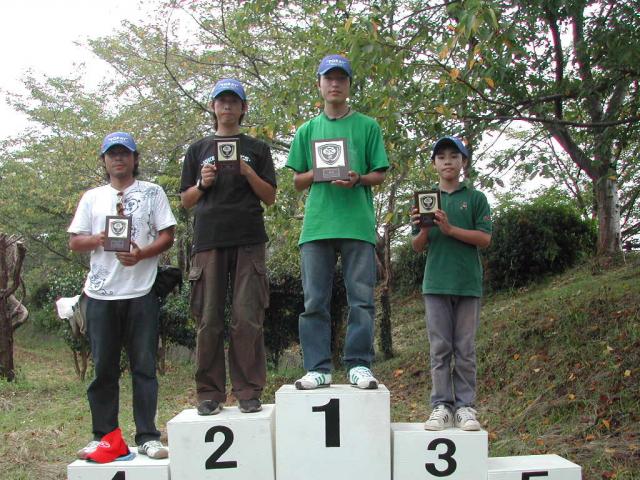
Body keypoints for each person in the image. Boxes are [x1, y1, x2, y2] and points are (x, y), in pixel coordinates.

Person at [69, 132, 176, 459]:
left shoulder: (152, 192)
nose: (118, 159)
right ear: (103, 160)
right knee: (104, 369)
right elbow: (75, 241)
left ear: (134, 158)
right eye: (112, 154)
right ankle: (104, 436)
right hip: (100, 294)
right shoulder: (92, 197)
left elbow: (168, 235)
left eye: (124, 153)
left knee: (144, 366)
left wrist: (142, 254)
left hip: (141, 291)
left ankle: (148, 435)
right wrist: (99, 239)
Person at [286, 54, 389, 390]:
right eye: (328, 78)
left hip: (357, 225)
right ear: (319, 84)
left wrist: (358, 178)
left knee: (362, 299)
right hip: (317, 227)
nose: (334, 84)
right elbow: (297, 181)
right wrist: (319, 172)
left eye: (340, 78)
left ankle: (359, 364)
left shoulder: (367, 126)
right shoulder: (307, 130)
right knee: (314, 301)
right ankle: (317, 368)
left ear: (348, 85)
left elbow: (380, 174)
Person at [180, 79, 276, 415]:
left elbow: (270, 197)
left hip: (249, 239)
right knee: (208, 320)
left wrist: (247, 171)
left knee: (247, 318)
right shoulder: (197, 150)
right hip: (209, 240)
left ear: (243, 108)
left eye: (234, 101)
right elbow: (186, 201)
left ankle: (248, 391)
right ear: (213, 106)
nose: (228, 107)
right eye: (222, 101)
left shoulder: (258, 149)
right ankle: (209, 392)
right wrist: (202, 183)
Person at [411, 136, 492, 431]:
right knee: (440, 349)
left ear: (463, 162)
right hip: (435, 283)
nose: (447, 161)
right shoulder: (425, 200)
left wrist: (450, 228)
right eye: (441, 156)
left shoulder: (476, 198)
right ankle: (441, 406)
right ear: (434, 164)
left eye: (453, 156)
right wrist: (424, 228)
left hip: (468, 283)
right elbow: (418, 246)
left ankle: (466, 407)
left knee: (465, 348)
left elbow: (484, 238)